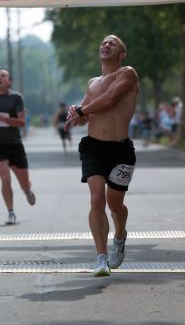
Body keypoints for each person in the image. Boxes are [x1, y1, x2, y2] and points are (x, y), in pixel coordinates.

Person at [65, 35, 139, 277]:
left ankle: (120, 235)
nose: (107, 45)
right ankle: (101, 258)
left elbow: (109, 100)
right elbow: (86, 113)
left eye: (113, 44)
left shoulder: (127, 73)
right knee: (97, 199)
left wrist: (82, 110)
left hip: (121, 150)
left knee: (114, 204)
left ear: (122, 54)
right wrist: (75, 116)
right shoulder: (93, 82)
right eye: (104, 43)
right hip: (93, 147)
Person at [0, 69, 36, 225]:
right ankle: (11, 212)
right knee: (5, 178)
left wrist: (3, 119)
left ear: (9, 81)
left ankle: (27, 191)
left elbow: (22, 123)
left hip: (14, 144)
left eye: (2, 76)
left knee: (24, 183)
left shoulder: (16, 98)